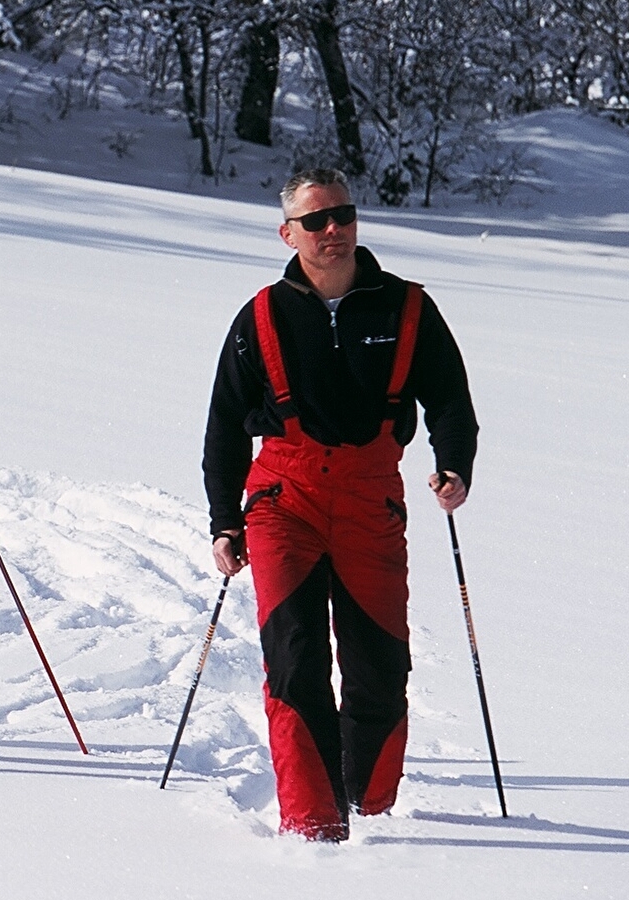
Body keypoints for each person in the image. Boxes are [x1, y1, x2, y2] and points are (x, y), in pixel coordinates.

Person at [202, 168, 478, 841]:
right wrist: (224, 520)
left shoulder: (407, 307)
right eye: (316, 221)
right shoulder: (261, 316)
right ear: (287, 233)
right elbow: (224, 424)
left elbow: (448, 398)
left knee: (378, 664)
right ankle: (312, 824)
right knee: (294, 659)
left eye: (343, 216)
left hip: (369, 499)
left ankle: (370, 810)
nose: (333, 230)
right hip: (282, 500)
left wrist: (453, 464)